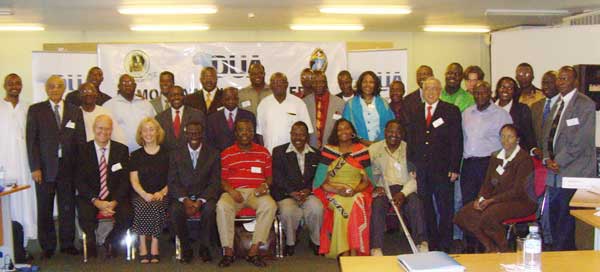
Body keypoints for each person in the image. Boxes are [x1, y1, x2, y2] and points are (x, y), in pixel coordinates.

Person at [26, 75, 85, 258]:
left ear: (64, 88)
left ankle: (67, 243)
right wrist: (35, 167)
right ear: (46, 89)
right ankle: (48, 246)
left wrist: (80, 168)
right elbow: (31, 141)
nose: (55, 89)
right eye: (51, 86)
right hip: (44, 168)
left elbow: (80, 141)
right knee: (45, 207)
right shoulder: (36, 110)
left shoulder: (75, 110)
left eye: (59, 86)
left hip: (68, 167)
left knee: (67, 206)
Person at [454, 124, 537, 252]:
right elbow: (487, 183)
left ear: (517, 139)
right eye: (503, 136)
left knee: (489, 216)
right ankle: (490, 246)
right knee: (463, 215)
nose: (505, 140)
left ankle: (504, 249)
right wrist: (481, 199)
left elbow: (518, 190)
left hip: (521, 201)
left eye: (510, 137)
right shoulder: (495, 156)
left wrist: (491, 201)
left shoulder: (524, 159)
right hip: (496, 200)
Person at [406, 77, 462, 253]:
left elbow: (457, 141)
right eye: (427, 88)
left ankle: (446, 245)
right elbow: (411, 141)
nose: (430, 92)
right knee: (427, 208)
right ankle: (433, 244)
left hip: (444, 170)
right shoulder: (415, 111)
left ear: (440, 91)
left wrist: (455, 167)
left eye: (434, 88)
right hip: (422, 170)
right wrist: (412, 166)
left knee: (445, 208)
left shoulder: (451, 111)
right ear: (422, 91)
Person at [543, 66, 596, 251]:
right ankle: (557, 257)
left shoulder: (585, 104)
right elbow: (547, 135)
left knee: (566, 222)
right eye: (559, 79)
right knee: (555, 218)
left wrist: (559, 160)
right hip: (554, 173)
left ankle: (564, 260)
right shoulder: (556, 103)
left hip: (574, 172)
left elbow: (581, 140)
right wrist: (546, 158)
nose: (561, 82)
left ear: (575, 82)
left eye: (565, 79)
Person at [217, 119, 277, 267]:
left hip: (256, 192)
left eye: (249, 130)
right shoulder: (226, 153)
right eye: (242, 130)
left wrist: (264, 185)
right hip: (234, 192)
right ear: (236, 133)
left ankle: (254, 251)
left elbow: (269, 177)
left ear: (253, 133)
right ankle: (228, 252)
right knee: (221, 206)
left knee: (270, 205)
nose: (246, 133)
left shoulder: (263, 152)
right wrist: (231, 191)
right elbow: (222, 180)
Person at [312, 118, 374, 258]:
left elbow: (366, 181)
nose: (343, 131)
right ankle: (344, 251)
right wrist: (337, 190)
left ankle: (354, 249)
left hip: (356, 191)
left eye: (347, 128)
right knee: (342, 210)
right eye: (340, 129)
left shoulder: (362, 151)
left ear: (352, 132)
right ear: (335, 132)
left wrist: (355, 190)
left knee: (356, 203)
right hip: (332, 193)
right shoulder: (329, 150)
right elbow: (322, 181)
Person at [369, 120, 428, 256]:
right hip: (383, 188)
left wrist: (403, 193)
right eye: (390, 131)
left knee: (415, 203)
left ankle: (421, 243)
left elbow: (415, 178)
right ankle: (376, 247)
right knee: (377, 205)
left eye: (398, 132)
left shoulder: (409, 149)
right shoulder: (374, 149)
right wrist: (374, 187)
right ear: (385, 132)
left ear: (402, 134)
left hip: (405, 187)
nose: (393, 134)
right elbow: (368, 174)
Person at [76, 115, 131, 258]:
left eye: (107, 129)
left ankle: (111, 240)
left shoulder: (121, 150)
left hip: (114, 197)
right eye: (100, 128)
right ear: (94, 129)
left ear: (111, 130)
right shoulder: (82, 150)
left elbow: (125, 180)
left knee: (127, 214)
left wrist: (113, 202)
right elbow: (79, 181)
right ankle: (91, 241)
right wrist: (96, 201)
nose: (104, 132)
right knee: (85, 213)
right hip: (91, 197)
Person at [169, 121, 221, 263]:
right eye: (191, 133)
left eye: (197, 133)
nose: (194, 136)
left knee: (210, 209)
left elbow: (215, 182)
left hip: (204, 195)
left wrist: (200, 201)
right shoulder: (175, 154)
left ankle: (205, 247)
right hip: (183, 196)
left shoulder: (213, 153)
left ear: (202, 134)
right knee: (175, 210)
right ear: (186, 134)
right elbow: (172, 181)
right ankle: (186, 247)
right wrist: (185, 200)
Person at [271, 121, 322, 256]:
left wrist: (308, 190)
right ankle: (290, 242)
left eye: (301, 135)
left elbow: (318, 177)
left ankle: (315, 241)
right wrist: (291, 192)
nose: (298, 138)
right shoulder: (279, 152)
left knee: (317, 208)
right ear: (290, 135)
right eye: (294, 134)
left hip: (308, 193)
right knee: (287, 211)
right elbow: (277, 177)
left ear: (307, 137)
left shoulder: (316, 153)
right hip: (286, 193)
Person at [0, 74, 37, 254]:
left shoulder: (29, 108)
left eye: (18, 83)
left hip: (25, 166)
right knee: (7, 207)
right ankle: (8, 249)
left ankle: (21, 249)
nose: (14, 86)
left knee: (25, 205)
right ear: (4, 86)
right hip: (4, 167)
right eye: (10, 83)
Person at [461, 81, 512, 207]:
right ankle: (471, 227)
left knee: (487, 203)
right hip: (468, 165)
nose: (480, 96)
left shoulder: (502, 115)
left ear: (490, 94)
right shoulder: (466, 113)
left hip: (489, 164)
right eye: (476, 93)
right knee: (468, 203)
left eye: (483, 93)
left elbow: (510, 143)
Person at [129, 118, 169, 264]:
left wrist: (162, 192)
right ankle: (142, 243)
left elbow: (172, 179)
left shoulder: (167, 154)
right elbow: (134, 180)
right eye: (145, 130)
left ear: (158, 132)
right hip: (141, 194)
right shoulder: (135, 155)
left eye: (151, 129)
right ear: (141, 133)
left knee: (157, 205)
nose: (148, 133)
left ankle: (154, 243)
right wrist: (144, 194)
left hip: (162, 193)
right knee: (142, 205)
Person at [256, 72, 313, 152]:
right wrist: (264, 152)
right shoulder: (263, 104)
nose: (278, 85)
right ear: (271, 86)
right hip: (270, 153)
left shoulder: (299, 103)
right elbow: (259, 133)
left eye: (281, 82)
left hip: (292, 154)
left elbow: (308, 131)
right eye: (274, 82)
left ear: (286, 84)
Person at [103, 74, 156, 152]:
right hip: (119, 152)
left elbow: (155, 127)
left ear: (135, 86)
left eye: (130, 83)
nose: (127, 85)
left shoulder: (146, 104)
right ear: (119, 86)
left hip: (145, 152)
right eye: (124, 83)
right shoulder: (109, 105)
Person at [342, 71, 394, 146]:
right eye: (365, 82)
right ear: (360, 84)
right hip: (357, 147)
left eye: (371, 82)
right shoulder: (350, 105)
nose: (367, 85)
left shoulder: (383, 104)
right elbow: (346, 128)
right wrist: (361, 140)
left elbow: (390, 125)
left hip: (381, 146)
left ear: (375, 85)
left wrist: (377, 142)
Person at [155, 85, 206, 152]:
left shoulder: (197, 115)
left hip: (190, 158)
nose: (176, 97)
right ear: (168, 98)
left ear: (184, 97)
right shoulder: (159, 118)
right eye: (173, 95)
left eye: (179, 95)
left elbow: (203, 139)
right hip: (167, 159)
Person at [303, 71, 345, 148]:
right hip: (311, 148)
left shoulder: (340, 103)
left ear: (326, 83)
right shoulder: (304, 102)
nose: (318, 85)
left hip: (333, 147)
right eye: (315, 82)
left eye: (321, 82)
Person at [206, 87, 257, 151]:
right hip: (219, 157)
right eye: (227, 99)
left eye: (234, 99)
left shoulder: (249, 116)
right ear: (222, 100)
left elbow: (254, 139)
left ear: (238, 100)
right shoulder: (212, 119)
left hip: (243, 156)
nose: (231, 101)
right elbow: (209, 142)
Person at [494, 77, 536, 152]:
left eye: (510, 88)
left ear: (514, 92)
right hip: (490, 154)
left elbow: (528, 135)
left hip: (514, 154)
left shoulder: (522, 109)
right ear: (497, 89)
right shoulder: (489, 106)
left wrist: (533, 149)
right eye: (503, 87)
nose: (505, 90)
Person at [531, 71, 560, 159]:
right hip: (538, 157)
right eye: (544, 82)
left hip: (557, 156)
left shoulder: (564, 105)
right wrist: (533, 148)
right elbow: (530, 131)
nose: (546, 86)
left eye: (550, 82)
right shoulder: (535, 106)